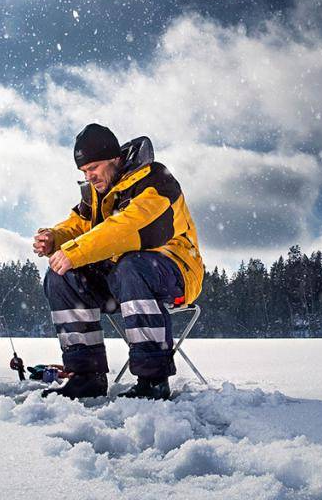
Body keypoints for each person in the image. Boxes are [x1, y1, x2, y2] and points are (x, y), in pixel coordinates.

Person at [33, 124, 204, 400]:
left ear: (115, 158)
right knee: (61, 275)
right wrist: (55, 238)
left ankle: (153, 379)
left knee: (132, 265)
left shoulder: (156, 180)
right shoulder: (97, 192)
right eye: (84, 171)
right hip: (119, 279)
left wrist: (75, 251)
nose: (89, 176)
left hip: (173, 272)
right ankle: (86, 375)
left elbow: (127, 228)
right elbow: (79, 225)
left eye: (94, 167)